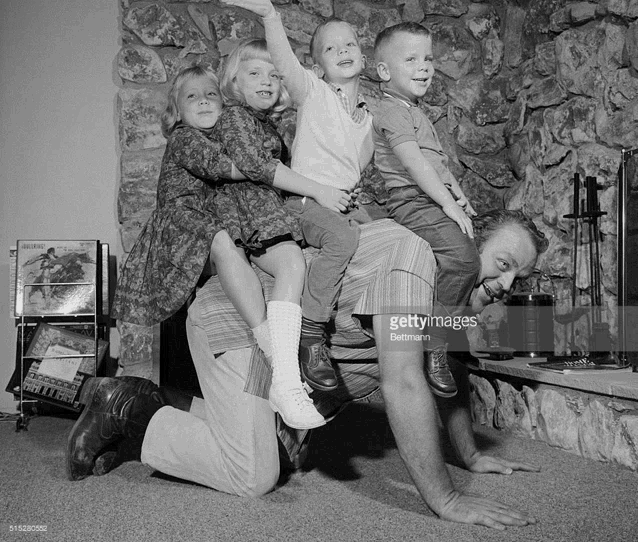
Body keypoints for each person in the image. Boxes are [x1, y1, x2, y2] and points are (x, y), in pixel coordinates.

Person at [66, 209, 548, 530]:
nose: (506, 284)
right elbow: (402, 381)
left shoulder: (453, 297)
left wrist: (469, 454)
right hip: (244, 328)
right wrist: (446, 499)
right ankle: (125, 407)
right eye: (502, 263)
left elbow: (453, 369)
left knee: (271, 453)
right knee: (254, 476)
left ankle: (154, 404)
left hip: (285, 367)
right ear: (464, 242)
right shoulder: (414, 256)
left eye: (517, 277)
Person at [222, 0, 375, 393]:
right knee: (344, 237)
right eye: (330, 47)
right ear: (317, 67)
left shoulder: (366, 119)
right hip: (302, 204)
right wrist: (271, 16)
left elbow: (353, 170)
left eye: (350, 44)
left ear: (364, 56)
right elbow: (285, 59)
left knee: (379, 230)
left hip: (335, 203)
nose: (342, 50)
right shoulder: (313, 92)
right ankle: (311, 331)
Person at [211, 37, 355, 429]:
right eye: (254, 73)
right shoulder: (235, 118)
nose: (267, 81)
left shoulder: (266, 123)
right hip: (248, 210)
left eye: (274, 75)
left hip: (267, 208)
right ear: (234, 82)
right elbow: (258, 168)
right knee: (292, 262)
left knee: (304, 257)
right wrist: (320, 190)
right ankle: (288, 382)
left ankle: (290, 379)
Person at [372, 22, 480, 399]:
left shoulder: (415, 111)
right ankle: (436, 342)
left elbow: (437, 164)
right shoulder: (390, 110)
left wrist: (459, 195)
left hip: (429, 195)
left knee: (468, 250)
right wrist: (447, 205)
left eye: (429, 58)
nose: (425, 67)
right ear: (384, 71)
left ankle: (451, 335)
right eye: (412, 59)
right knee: (464, 259)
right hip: (410, 199)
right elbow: (415, 165)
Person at [110, 65, 244, 328]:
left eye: (211, 94)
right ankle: (262, 328)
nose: (204, 100)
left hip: (198, 227)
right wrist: (269, 169)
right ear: (178, 112)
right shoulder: (184, 137)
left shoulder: (220, 140)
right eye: (192, 96)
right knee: (222, 243)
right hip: (181, 227)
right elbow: (225, 167)